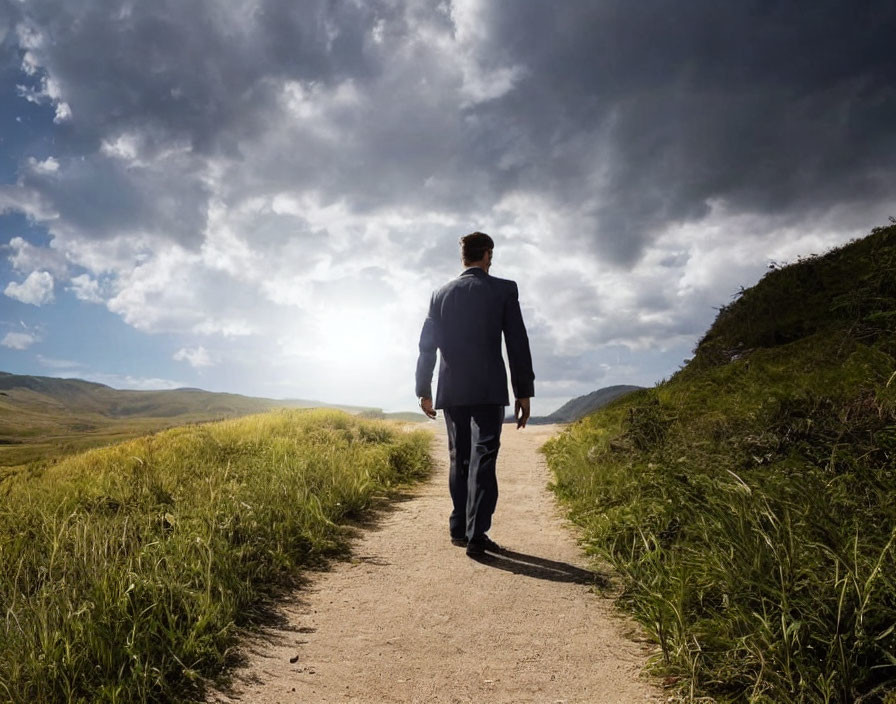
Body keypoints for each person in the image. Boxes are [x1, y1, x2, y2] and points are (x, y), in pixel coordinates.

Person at [415, 232, 535, 557]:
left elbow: (427, 347)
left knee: (460, 456)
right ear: (488, 255)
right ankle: (476, 534)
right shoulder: (504, 289)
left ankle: (459, 526)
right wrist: (523, 391)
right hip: (488, 388)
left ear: (463, 257)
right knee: (484, 454)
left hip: (452, 390)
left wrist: (423, 389)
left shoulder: (439, 295)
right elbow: (517, 342)